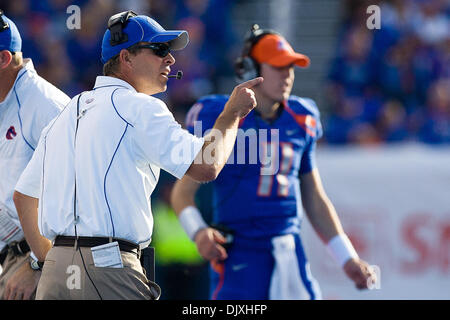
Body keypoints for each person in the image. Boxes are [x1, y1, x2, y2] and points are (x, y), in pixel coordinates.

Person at [12, 11, 262, 300]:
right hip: (109, 269)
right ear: (125, 58)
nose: (170, 59)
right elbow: (207, 166)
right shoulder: (141, 107)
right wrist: (231, 115)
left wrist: (49, 260)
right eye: (158, 50)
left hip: (56, 274)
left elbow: (24, 196)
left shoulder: (67, 111)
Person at [171, 24, 377, 300]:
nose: (287, 76)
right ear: (249, 70)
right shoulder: (218, 114)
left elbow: (314, 198)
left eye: (290, 67)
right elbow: (182, 192)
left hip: (289, 252)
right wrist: (198, 232)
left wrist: (347, 258)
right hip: (239, 255)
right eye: (278, 67)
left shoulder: (302, 117)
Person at [0, 11, 70, 300]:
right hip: (9, 263)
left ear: (3, 59)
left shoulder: (48, 106)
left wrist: (37, 262)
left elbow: (80, 197)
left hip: (38, 264)